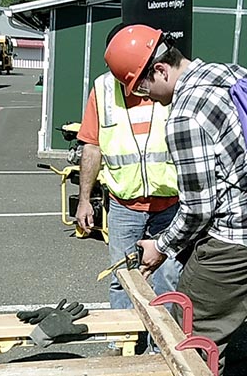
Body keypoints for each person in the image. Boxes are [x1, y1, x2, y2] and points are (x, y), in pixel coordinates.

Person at [104, 24, 247, 375]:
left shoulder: (184, 115)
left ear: (160, 70)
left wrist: (161, 246)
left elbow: (197, 209)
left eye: (142, 86)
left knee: (188, 335)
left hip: (243, 244)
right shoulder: (236, 73)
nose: (144, 96)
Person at [75, 25, 182, 319]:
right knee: (123, 279)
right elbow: (92, 147)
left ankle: (159, 351)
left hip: (170, 205)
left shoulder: (167, 85)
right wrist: (85, 199)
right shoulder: (103, 89)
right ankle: (121, 345)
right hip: (124, 207)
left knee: (166, 280)